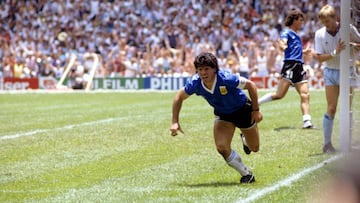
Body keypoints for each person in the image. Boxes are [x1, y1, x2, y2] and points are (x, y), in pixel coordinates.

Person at [170, 52, 263, 183]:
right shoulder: (195, 83)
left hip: (243, 110)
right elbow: (178, 97)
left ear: (214, 69)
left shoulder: (226, 78)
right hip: (223, 114)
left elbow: (251, 86)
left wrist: (256, 110)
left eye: (206, 69)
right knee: (222, 147)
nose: (203, 73)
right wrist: (175, 121)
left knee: (255, 148)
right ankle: (246, 174)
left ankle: (245, 139)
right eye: (200, 69)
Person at [314, 4, 360, 153]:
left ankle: (347, 143)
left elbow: (359, 43)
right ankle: (327, 144)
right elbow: (320, 58)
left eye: (327, 21)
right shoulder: (319, 34)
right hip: (331, 72)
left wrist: (355, 46)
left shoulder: (349, 29)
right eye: (323, 22)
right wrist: (336, 52)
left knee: (347, 108)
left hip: (348, 71)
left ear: (336, 18)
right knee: (331, 108)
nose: (325, 24)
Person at [258, 9, 314, 129]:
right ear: (294, 21)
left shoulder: (298, 36)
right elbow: (282, 42)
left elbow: (294, 50)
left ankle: (307, 121)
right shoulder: (286, 32)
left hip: (299, 66)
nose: (302, 23)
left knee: (305, 94)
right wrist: (282, 45)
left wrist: (304, 51)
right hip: (290, 65)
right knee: (279, 95)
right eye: (300, 20)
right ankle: (256, 104)